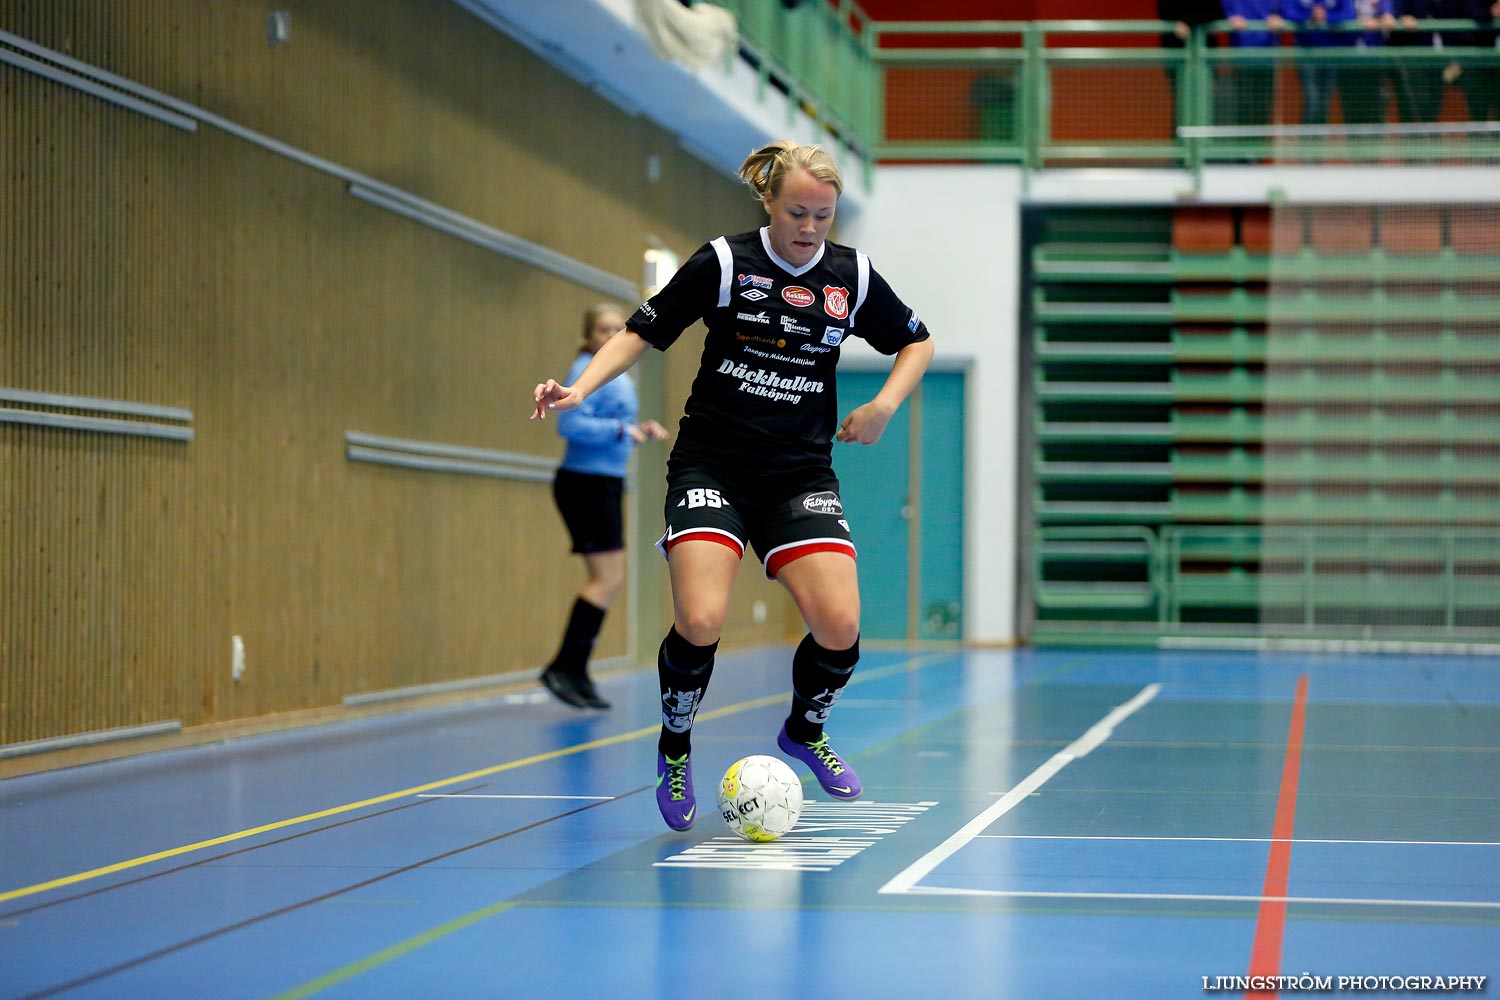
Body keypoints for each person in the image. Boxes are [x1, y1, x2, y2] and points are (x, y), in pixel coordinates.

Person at [532, 140, 934, 831]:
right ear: (770, 205)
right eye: (797, 212)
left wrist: (883, 407)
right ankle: (676, 747)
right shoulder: (725, 263)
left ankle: (804, 732)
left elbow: (916, 340)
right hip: (711, 465)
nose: (809, 228)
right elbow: (641, 332)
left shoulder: (853, 277)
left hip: (798, 472)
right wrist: (580, 388)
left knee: (839, 627)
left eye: (824, 215)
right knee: (702, 619)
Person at [538, 304, 669, 711]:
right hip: (586, 483)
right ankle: (564, 668)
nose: (612, 334)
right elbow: (569, 423)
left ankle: (575, 670)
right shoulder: (583, 369)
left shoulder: (614, 372)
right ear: (588, 335)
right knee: (607, 580)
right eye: (603, 329)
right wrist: (619, 430)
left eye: (618, 328)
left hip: (604, 482)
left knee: (609, 580)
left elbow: (611, 422)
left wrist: (638, 431)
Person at [1223, 0, 1288, 142]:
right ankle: (1242, 153)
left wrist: (1282, 18)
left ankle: (1258, 151)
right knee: (1243, 102)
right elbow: (1220, 10)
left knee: (1263, 104)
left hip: (1267, 54)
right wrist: (1229, 16)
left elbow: (1290, 9)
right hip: (1241, 53)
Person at [1158, 0, 1225, 134]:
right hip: (1176, 53)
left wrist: (1188, 22)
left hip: (1205, 55)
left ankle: (1204, 151)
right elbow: (1165, 12)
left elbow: (1215, 12)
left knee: (1206, 104)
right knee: (1181, 105)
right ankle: (1181, 151)